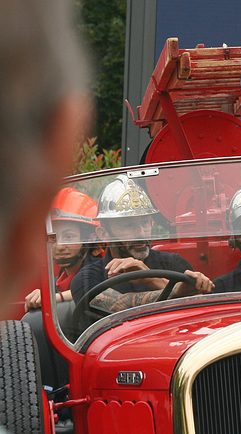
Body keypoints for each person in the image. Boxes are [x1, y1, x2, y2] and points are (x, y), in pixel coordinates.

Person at [0, 0, 93, 320]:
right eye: (58, 236)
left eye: (71, 236)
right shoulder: (75, 278)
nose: (62, 245)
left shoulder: (94, 273)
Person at [70, 174, 213, 312]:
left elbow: (195, 306)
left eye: (145, 223)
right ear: (104, 234)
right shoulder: (86, 278)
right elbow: (118, 305)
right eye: (128, 225)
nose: (140, 232)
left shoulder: (173, 263)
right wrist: (174, 289)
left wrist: (150, 278)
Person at [24, 188, 101, 311]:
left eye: (69, 237)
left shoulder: (103, 272)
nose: (59, 246)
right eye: (53, 238)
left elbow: (97, 289)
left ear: (89, 239)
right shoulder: (56, 284)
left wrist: (54, 297)